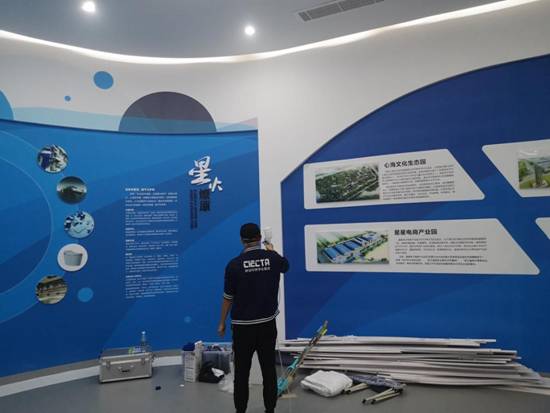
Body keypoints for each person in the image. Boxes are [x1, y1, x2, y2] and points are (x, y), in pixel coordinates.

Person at [218, 223, 289, 413]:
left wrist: (222, 322)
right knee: (269, 371)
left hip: (242, 328)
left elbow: (228, 297)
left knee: (241, 374)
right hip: (267, 326)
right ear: (260, 238)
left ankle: (240, 411)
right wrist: (272, 250)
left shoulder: (234, 265)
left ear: (242, 240)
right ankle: (270, 410)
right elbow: (286, 266)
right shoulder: (272, 258)